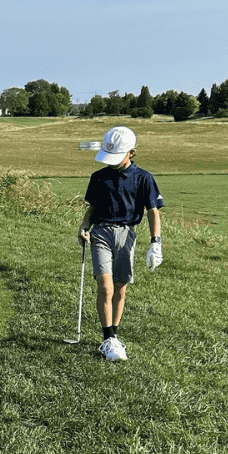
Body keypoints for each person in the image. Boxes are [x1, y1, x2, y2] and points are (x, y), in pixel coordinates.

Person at [78, 126, 164, 362]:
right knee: (105, 287)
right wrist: (84, 226)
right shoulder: (99, 177)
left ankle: (113, 336)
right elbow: (92, 208)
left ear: (132, 153)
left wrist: (156, 242)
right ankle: (107, 338)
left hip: (127, 235)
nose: (112, 163)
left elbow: (153, 211)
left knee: (120, 287)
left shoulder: (144, 178)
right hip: (101, 233)